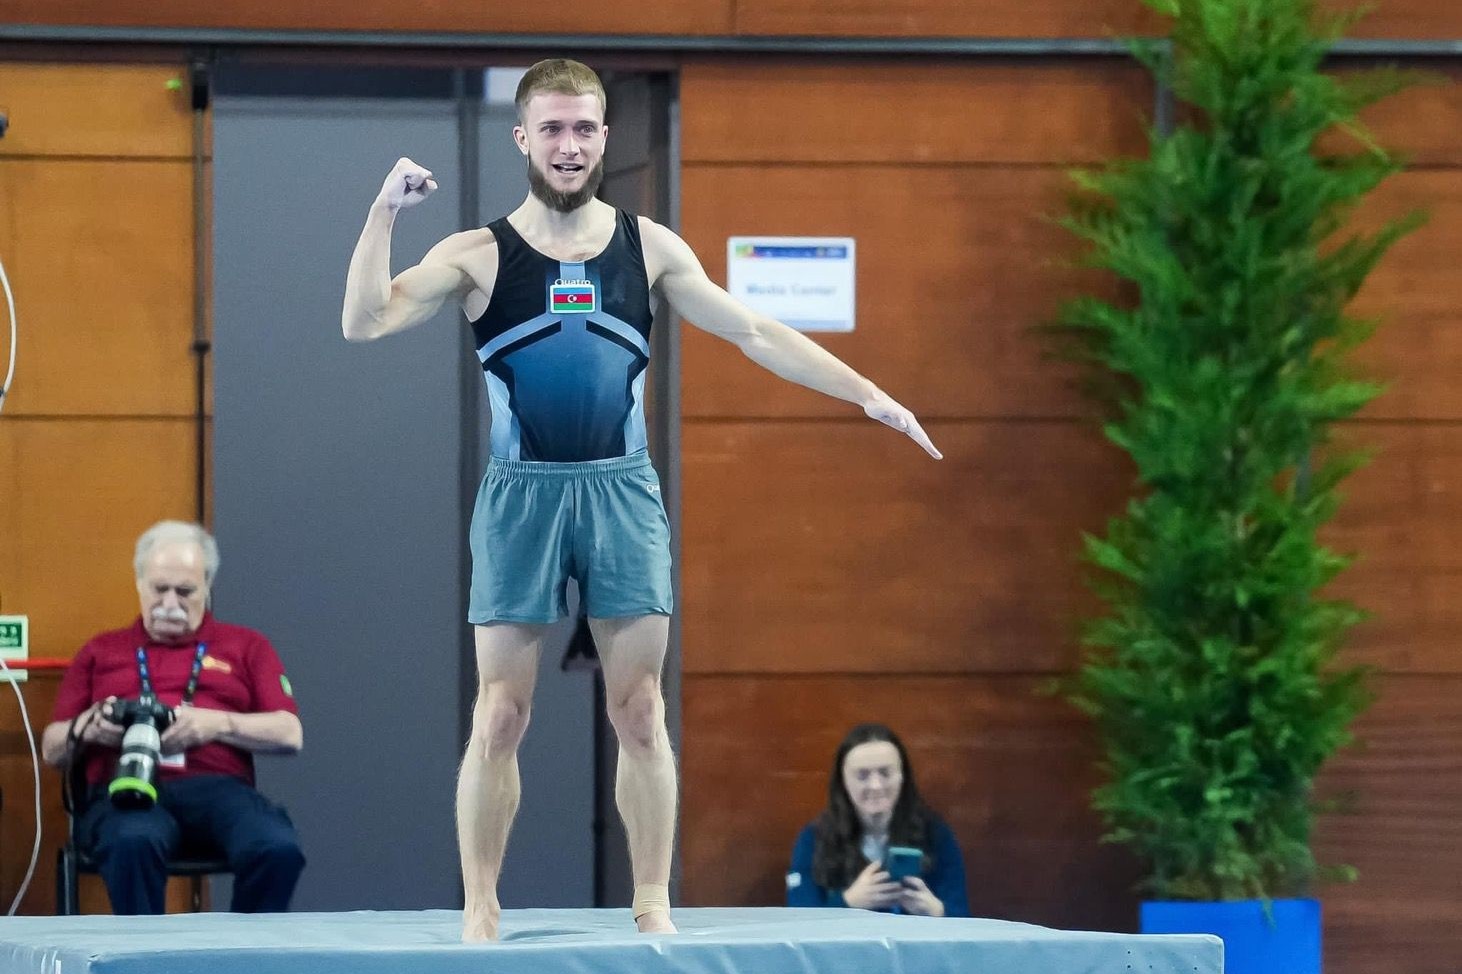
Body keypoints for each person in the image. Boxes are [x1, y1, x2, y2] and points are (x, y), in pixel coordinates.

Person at [340, 58, 941, 942]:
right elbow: (364, 320)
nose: (570, 144)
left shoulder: (650, 247)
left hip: (622, 492)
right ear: (524, 138)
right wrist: (383, 210)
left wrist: (867, 393)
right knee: (500, 714)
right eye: (552, 128)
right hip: (522, 496)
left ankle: (652, 901)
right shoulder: (474, 256)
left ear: (605, 137)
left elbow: (755, 330)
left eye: (584, 128)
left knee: (641, 709)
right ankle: (480, 909)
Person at [41, 520, 305, 915]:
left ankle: (245, 957)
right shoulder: (100, 650)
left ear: (207, 588)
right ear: (139, 584)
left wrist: (218, 723)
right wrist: (90, 726)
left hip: (217, 790)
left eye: (185, 592)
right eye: (159, 589)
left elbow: (290, 733)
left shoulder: (246, 645)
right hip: (127, 788)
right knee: (133, 841)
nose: (170, 602)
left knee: (276, 847)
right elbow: (51, 747)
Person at [786, 723, 969, 917]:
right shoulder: (814, 839)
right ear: (843, 781)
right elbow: (800, 921)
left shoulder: (935, 834)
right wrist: (848, 902)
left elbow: (964, 920)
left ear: (902, 777)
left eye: (885, 773)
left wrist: (936, 911)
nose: (875, 785)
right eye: (862, 775)